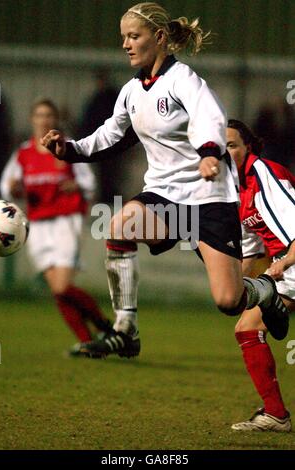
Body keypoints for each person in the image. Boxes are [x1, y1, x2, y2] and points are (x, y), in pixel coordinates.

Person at [41, 2, 288, 364]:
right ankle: (126, 330)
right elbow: (111, 136)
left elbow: (211, 117)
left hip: (207, 201)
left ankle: (266, 291)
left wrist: (207, 152)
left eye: (134, 36)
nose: (126, 44)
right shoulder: (131, 91)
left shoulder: (183, 80)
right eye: (123, 37)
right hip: (164, 196)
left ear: (159, 38)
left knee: (228, 300)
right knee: (119, 227)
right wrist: (70, 149)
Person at [0, 98, 112, 355]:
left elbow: (89, 183)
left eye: (49, 115)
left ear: (55, 120)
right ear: (33, 120)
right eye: (40, 115)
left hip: (66, 220)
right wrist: (13, 188)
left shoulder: (66, 148)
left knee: (62, 287)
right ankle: (88, 342)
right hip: (37, 226)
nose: (45, 120)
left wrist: (78, 186)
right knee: (58, 292)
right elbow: (7, 185)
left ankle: (105, 326)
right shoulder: (23, 154)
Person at [226, 119, 295, 432]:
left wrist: (285, 260)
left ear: (247, 147)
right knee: (247, 327)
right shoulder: (237, 188)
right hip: (285, 263)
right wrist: (231, 283)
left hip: (291, 260)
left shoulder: (263, 173)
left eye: (232, 145)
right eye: (219, 147)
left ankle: (277, 414)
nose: (226, 152)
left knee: (248, 327)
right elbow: (250, 249)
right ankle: (276, 413)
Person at [78, 68, 123, 202]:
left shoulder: (111, 98)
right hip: (101, 143)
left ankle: (110, 200)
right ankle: (106, 199)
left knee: (112, 175)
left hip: (113, 144)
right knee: (104, 175)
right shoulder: (98, 98)